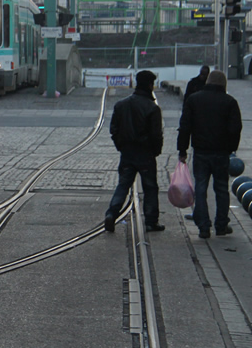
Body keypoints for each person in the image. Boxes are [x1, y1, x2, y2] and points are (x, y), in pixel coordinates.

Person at [177, 70, 242, 239]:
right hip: (221, 152)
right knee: (221, 189)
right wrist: (231, 148)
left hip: (201, 152)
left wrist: (182, 150)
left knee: (200, 188)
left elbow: (185, 126)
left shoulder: (194, 100)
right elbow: (235, 128)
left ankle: (203, 227)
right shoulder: (230, 102)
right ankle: (221, 225)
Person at [104, 70, 165, 233]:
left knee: (123, 185)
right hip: (146, 154)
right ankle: (151, 222)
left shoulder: (121, 105)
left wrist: (121, 146)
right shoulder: (153, 109)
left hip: (127, 153)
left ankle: (111, 213)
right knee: (150, 187)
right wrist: (156, 151)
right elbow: (156, 134)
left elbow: (114, 129)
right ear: (150, 85)